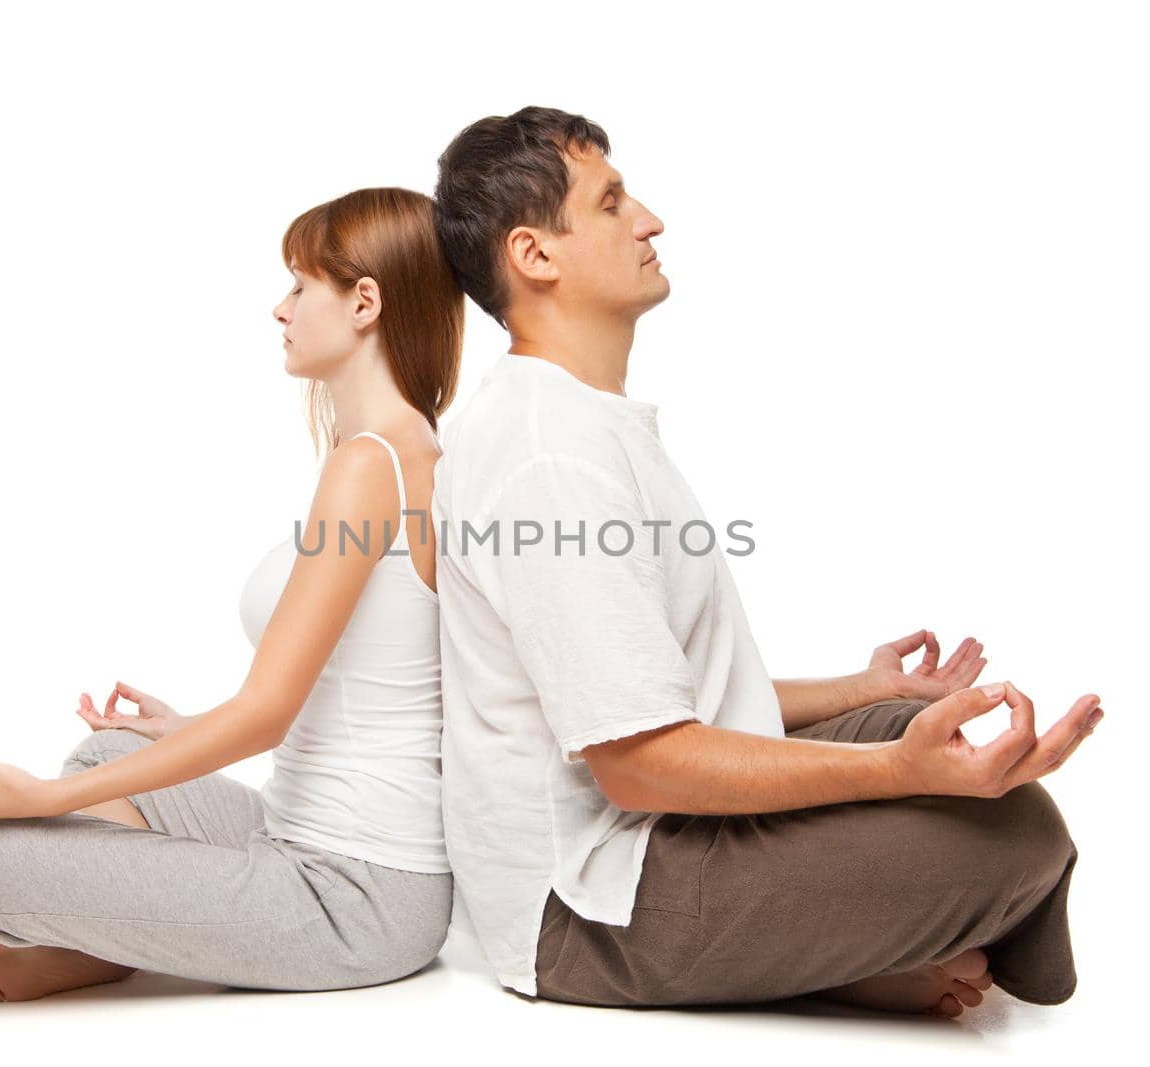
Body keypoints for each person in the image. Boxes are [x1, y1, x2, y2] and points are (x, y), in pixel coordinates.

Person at [429, 106, 1103, 1017]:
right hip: (593, 902)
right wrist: (898, 773)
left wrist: (868, 696)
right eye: (612, 201)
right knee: (1008, 835)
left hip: (660, 829)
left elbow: (663, 695)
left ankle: (882, 943)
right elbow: (639, 764)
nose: (650, 219)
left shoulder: (579, 420)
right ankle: (889, 947)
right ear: (535, 256)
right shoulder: (550, 455)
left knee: (935, 743)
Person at [0, 186, 464, 1003]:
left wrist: (47, 798)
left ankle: (98, 943)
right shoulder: (403, 448)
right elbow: (355, 692)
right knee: (113, 755)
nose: (281, 307)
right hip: (291, 829)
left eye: (302, 287)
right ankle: (107, 938)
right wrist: (179, 728)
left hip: (354, 895)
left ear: (364, 301)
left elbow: (265, 713)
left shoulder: (371, 464)